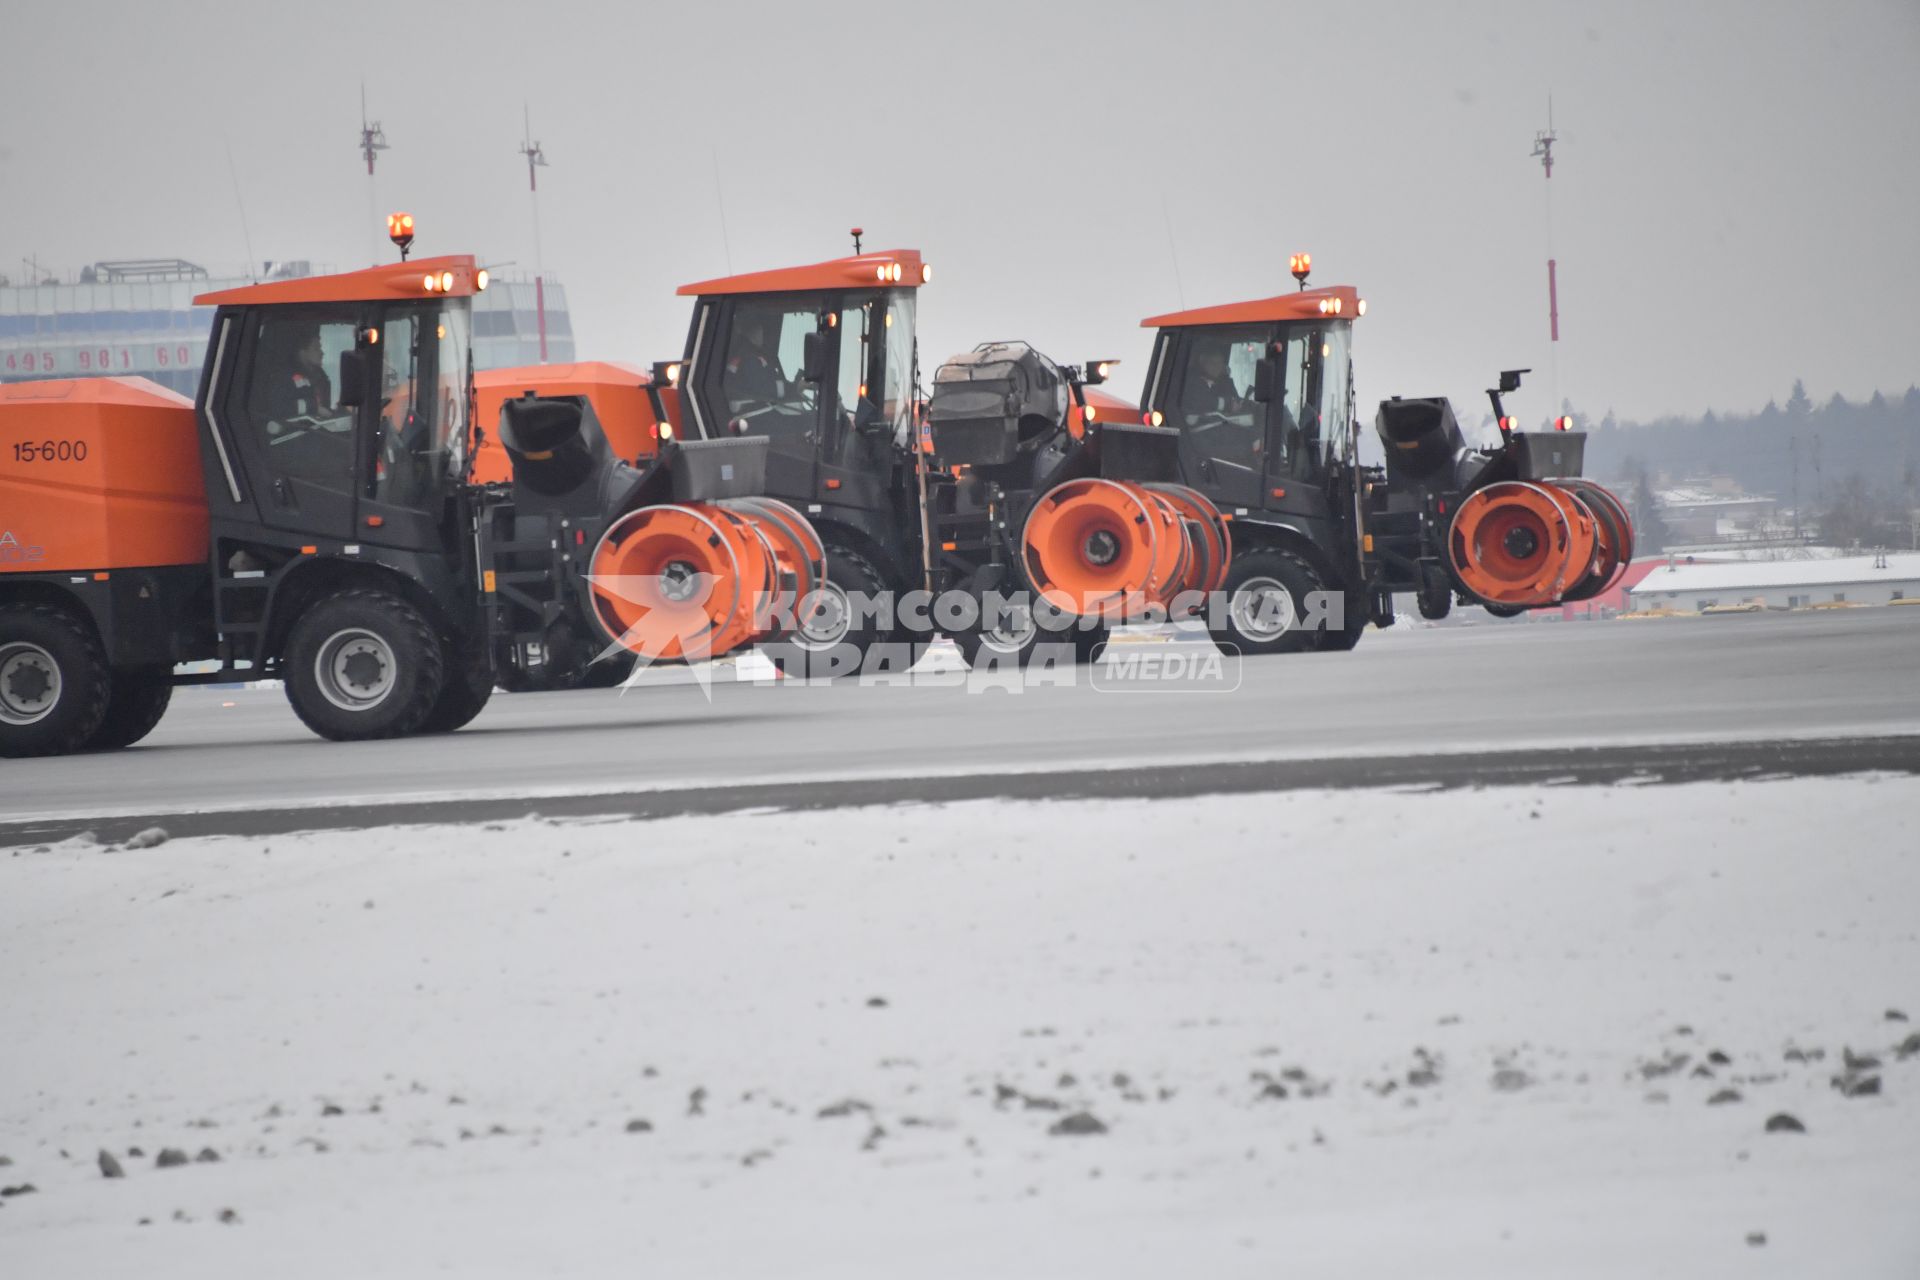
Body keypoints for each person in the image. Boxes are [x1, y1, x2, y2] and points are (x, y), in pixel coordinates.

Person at [1182, 341, 1244, 419]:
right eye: (1213, 363)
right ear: (1202, 361)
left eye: (1220, 363)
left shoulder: (1222, 382)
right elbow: (1202, 401)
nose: (1217, 367)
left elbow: (1234, 398)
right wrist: (1227, 405)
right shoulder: (1191, 380)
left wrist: (1226, 379)